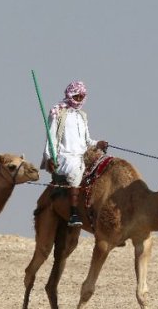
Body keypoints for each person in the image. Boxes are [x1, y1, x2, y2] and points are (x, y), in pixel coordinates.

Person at [41, 80, 108, 227]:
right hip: (65, 156)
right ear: (70, 94)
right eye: (76, 96)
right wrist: (49, 157)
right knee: (75, 169)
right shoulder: (58, 112)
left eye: (81, 97)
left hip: (82, 154)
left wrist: (98, 143)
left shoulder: (82, 116)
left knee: (105, 165)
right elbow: (51, 136)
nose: (78, 100)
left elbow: (87, 140)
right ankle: (74, 214)